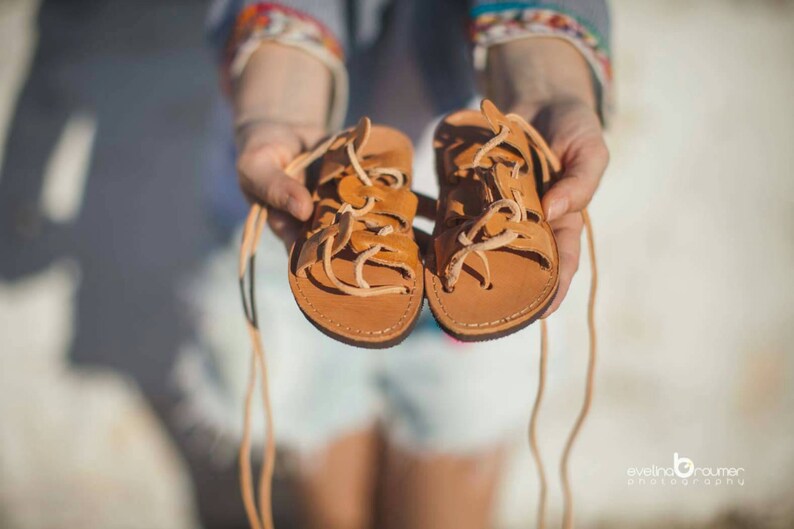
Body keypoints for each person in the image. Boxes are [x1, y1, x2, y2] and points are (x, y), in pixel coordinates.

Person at [203, 1, 611, 528]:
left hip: (480, 114)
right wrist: (279, 85)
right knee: (322, 462)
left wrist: (547, 82)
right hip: (296, 177)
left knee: (451, 477)